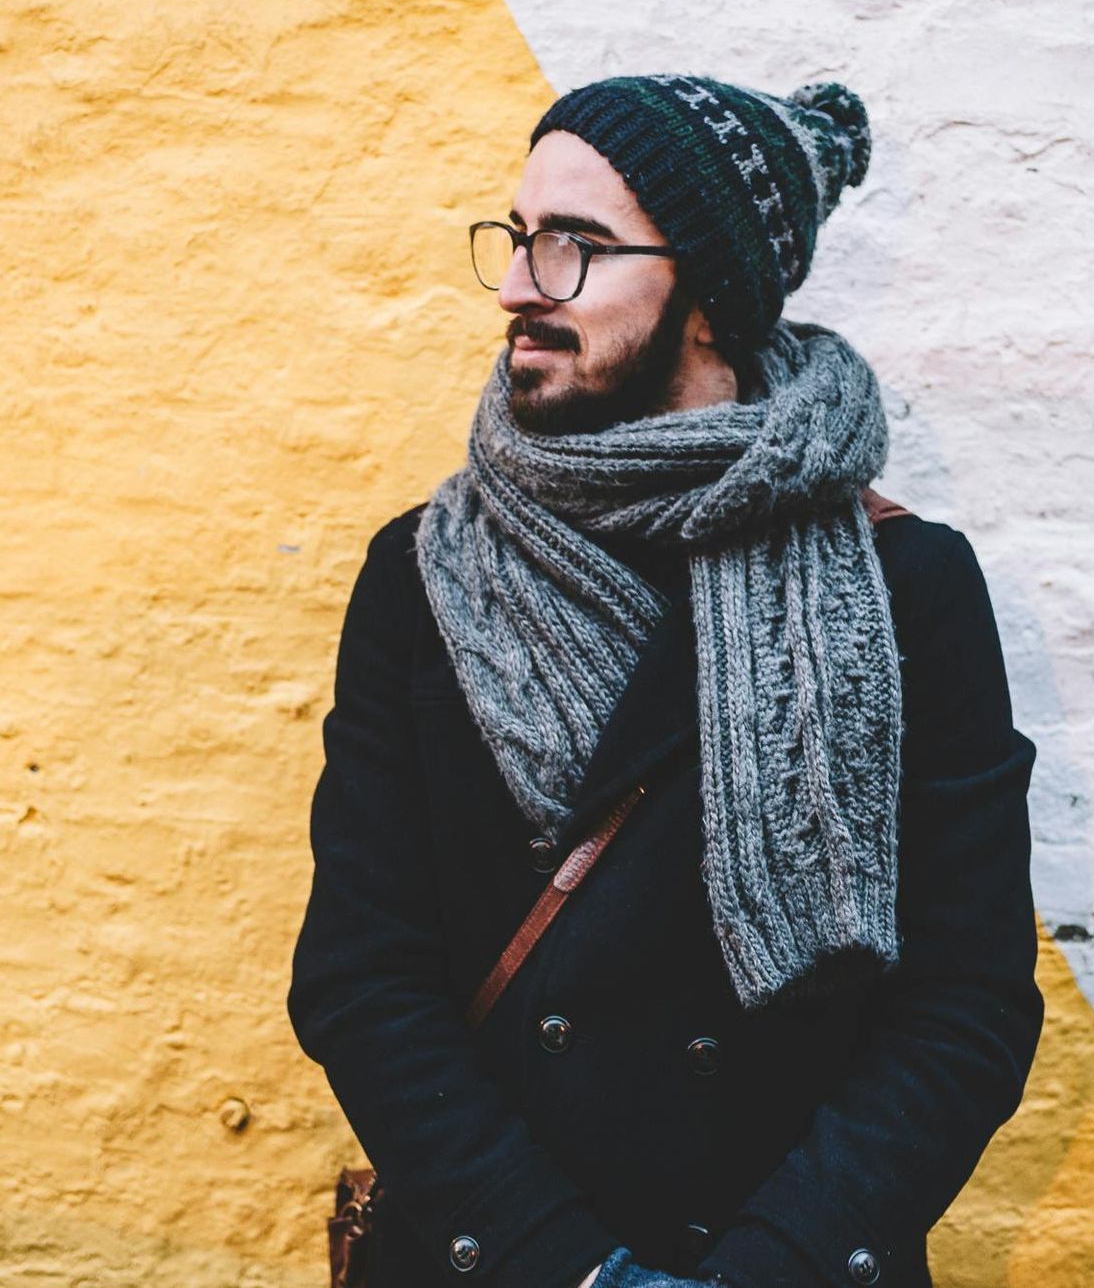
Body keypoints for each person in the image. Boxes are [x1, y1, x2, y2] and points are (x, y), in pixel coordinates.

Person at [287, 73, 1043, 1288]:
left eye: (576, 247)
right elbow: (361, 975)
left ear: (711, 294)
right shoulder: (424, 576)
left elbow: (967, 1003)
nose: (520, 284)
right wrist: (576, 1269)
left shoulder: (908, 585)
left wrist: (771, 1264)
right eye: (521, 236)